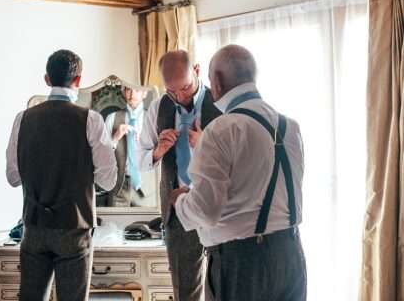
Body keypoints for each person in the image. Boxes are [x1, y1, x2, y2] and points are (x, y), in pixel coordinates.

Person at [171, 44, 307, 301]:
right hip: (291, 255)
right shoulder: (291, 127)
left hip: (242, 262)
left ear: (218, 82)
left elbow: (205, 211)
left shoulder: (221, 130)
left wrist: (179, 201)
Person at [6, 49, 117, 301]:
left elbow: (13, 176)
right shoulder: (91, 120)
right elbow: (108, 180)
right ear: (79, 80)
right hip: (74, 228)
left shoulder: (23, 119)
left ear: (47, 79)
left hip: (33, 226)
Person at [138, 50, 222, 300]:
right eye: (171, 91)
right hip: (179, 213)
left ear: (196, 71)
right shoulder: (158, 106)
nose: (179, 97)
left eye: (185, 88)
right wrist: (157, 152)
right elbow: (141, 159)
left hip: (220, 211)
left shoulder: (222, 104)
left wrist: (207, 144)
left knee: (224, 290)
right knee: (185, 293)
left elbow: (241, 161)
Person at [104, 86, 156, 207]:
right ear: (123, 92)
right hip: (119, 186)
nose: (132, 93)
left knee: (145, 225)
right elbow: (103, 158)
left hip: (147, 187)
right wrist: (115, 138)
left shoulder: (153, 119)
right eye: (128, 89)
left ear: (144, 93)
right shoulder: (112, 118)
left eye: (137, 89)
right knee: (116, 225)